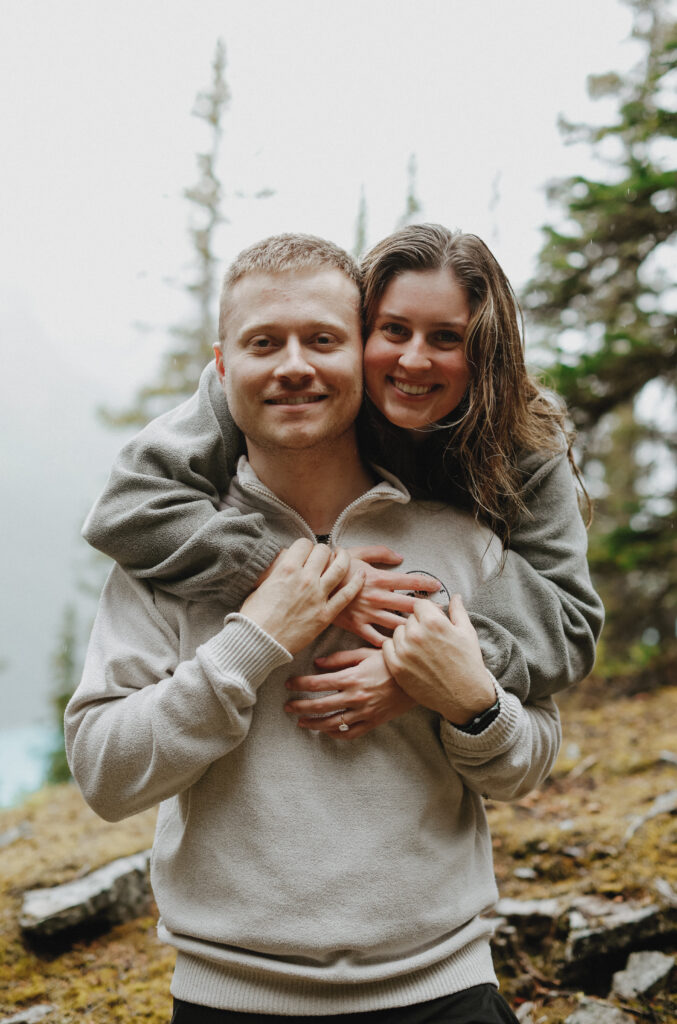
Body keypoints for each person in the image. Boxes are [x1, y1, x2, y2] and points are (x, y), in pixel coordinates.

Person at [67, 234, 562, 1022]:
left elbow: (526, 759)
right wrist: (252, 640)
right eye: (264, 343)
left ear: (359, 360)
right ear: (223, 365)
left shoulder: (459, 540)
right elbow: (103, 775)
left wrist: (468, 700)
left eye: (322, 340)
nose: (293, 365)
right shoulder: (169, 552)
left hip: (445, 991)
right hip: (229, 999)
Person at [82, 225, 604, 732]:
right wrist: (307, 578)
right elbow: (131, 504)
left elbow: (570, 623)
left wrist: (420, 668)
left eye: (446, 337)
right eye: (395, 330)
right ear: (360, 332)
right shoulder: (285, 392)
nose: (413, 359)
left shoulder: (523, 440)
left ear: (484, 352)